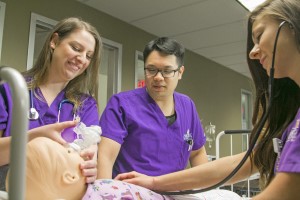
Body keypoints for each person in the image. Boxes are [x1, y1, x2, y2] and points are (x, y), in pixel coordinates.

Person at [114, 0, 300, 199]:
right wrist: (154, 182)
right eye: (152, 69)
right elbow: (244, 162)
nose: (253, 52)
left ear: (292, 25)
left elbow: (286, 192)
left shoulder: (186, 105)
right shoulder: (291, 120)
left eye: (260, 35)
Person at [84, 37, 208, 199]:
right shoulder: (122, 104)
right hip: (132, 191)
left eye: (167, 71)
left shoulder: (187, 106)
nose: (158, 77)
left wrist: (206, 190)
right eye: (151, 69)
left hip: (175, 192)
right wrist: (104, 194)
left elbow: (197, 153)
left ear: (180, 72)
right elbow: (105, 157)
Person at [0, 17, 102, 190]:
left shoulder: (86, 105)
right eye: (76, 48)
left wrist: (91, 167)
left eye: (88, 56)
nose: (82, 59)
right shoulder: (11, 90)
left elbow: (89, 157)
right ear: (54, 41)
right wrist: (35, 137)